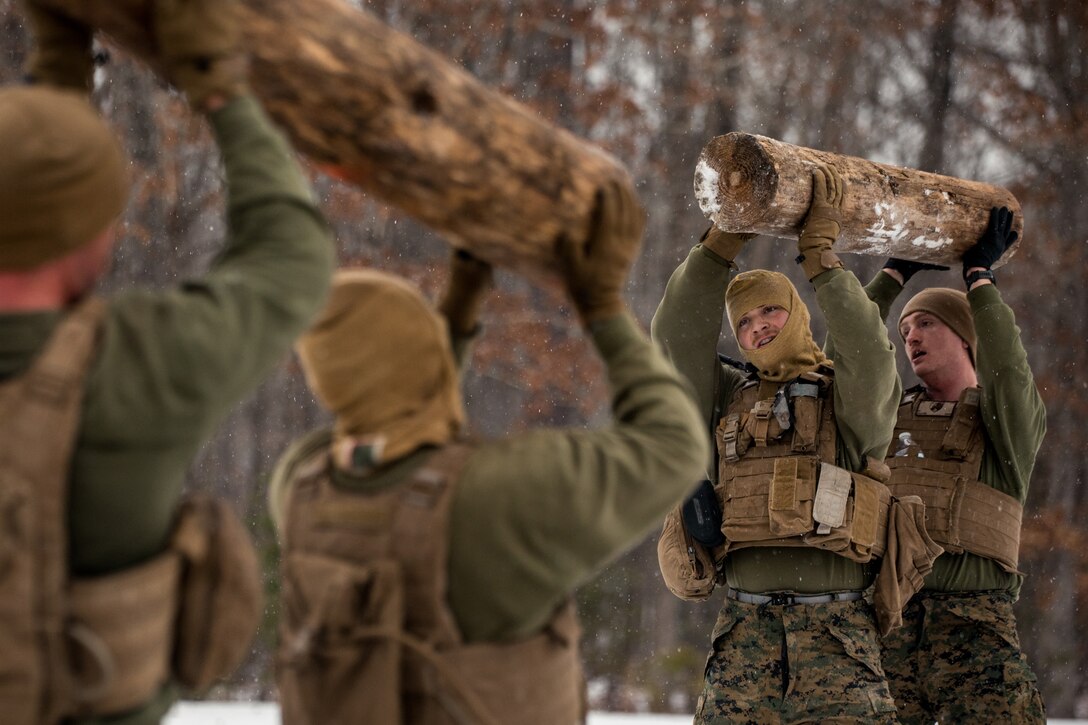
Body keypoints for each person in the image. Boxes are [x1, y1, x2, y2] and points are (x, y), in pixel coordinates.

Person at [0, 0, 334, 723]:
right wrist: (219, 84)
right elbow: (290, 255)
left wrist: (53, 80)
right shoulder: (133, 371)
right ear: (91, 237)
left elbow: (26, 200)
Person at [267, 181, 710, 725]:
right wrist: (604, 309)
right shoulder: (500, 496)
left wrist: (456, 310)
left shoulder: (301, 488)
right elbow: (676, 445)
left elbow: (400, 418)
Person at [653, 163, 937, 723]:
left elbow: (871, 354)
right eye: (745, 323)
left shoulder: (845, 399)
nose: (758, 326)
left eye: (769, 310)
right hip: (743, 635)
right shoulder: (727, 398)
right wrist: (726, 235)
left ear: (798, 313)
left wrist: (822, 261)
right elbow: (675, 333)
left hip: (837, 638)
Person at [859, 207, 1047, 723]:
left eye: (925, 323)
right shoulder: (886, 419)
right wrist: (891, 278)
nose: (910, 337)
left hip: (976, 633)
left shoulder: (1002, 423)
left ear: (965, 336)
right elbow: (848, 355)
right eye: (903, 331)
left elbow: (1008, 369)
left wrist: (980, 283)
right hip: (888, 631)